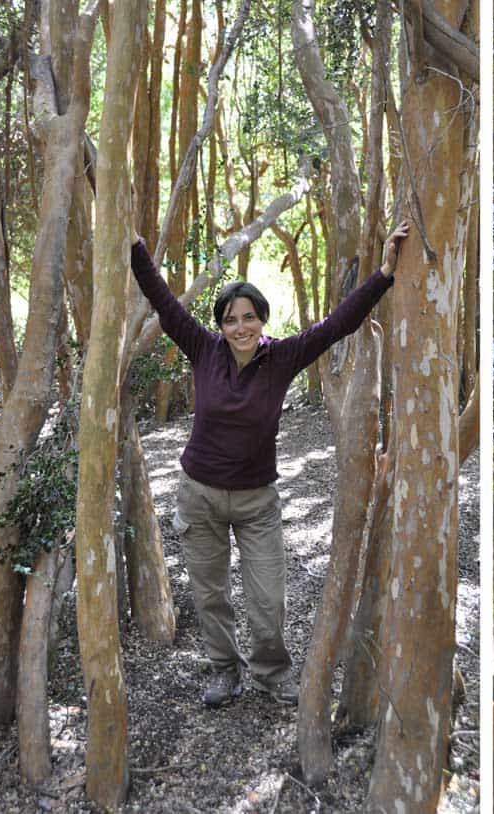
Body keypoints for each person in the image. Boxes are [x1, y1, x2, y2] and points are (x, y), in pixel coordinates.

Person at [129, 221, 410, 707]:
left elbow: (337, 324)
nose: (240, 327)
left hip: (258, 500)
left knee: (268, 599)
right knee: (211, 594)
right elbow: (162, 299)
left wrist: (384, 273)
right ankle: (223, 670)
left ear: (262, 318)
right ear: (220, 325)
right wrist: (134, 246)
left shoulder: (282, 358)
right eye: (231, 319)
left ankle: (271, 673)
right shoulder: (202, 348)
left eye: (249, 317)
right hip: (200, 495)